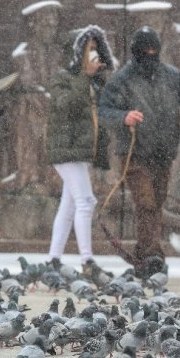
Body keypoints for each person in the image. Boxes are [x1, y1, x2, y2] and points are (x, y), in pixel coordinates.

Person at [98, 26, 180, 278]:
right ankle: (153, 255)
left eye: (153, 51)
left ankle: (144, 254)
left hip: (163, 153)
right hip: (134, 154)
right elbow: (103, 111)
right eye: (144, 51)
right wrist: (123, 116)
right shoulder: (122, 78)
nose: (149, 55)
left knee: (156, 204)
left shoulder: (171, 76)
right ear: (135, 52)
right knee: (146, 202)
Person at [45, 25, 114, 281]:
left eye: (96, 48)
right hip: (66, 149)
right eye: (89, 49)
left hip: (82, 151)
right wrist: (85, 76)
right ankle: (87, 261)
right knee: (86, 201)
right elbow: (65, 106)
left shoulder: (95, 81)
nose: (94, 54)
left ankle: (53, 259)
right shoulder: (64, 77)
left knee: (71, 203)